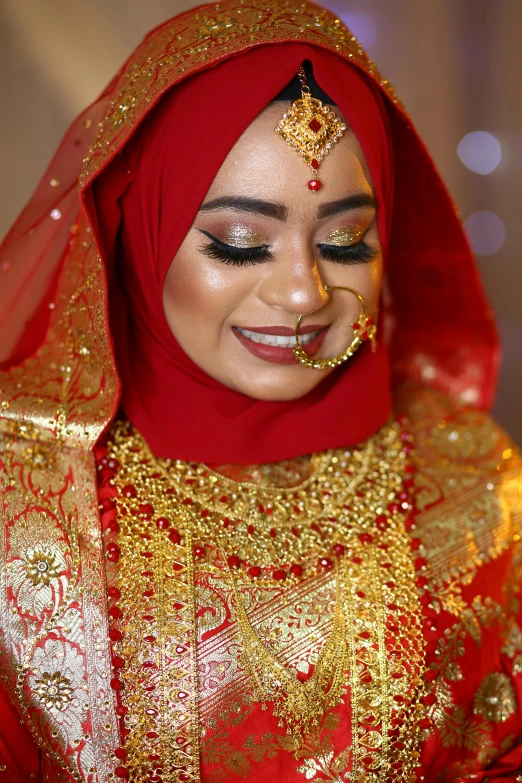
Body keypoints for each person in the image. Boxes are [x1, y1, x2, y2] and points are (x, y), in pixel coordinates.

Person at [0, 1, 520, 781]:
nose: (305, 293)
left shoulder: (473, 488)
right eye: (240, 244)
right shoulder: (24, 501)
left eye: (345, 241)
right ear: (138, 230)